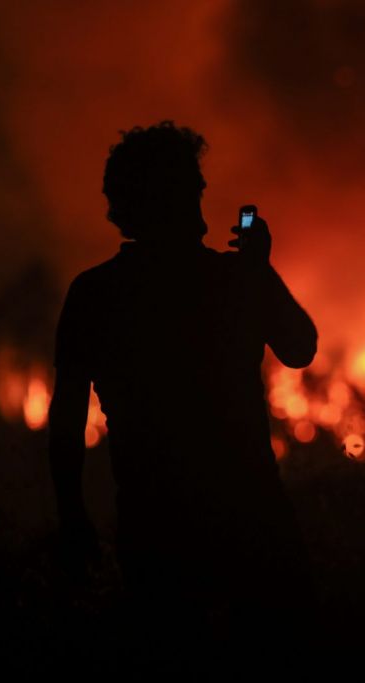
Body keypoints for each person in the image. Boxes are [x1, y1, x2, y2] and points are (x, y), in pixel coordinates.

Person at [47, 121, 318, 660]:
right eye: (190, 185)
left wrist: (72, 516)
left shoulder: (97, 293)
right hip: (250, 516)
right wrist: (260, 272)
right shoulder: (229, 280)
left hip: (156, 522)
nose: (200, 195)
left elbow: (66, 416)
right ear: (166, 197)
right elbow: (300, 347)